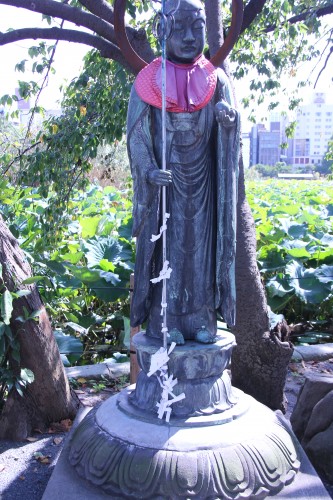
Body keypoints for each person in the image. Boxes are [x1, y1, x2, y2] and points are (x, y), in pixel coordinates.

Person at [127, 0, 240, 344]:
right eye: (179, 28)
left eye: (197, 28)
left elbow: (231, 133)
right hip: (167, 188)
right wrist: (148, 171)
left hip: (205, 185)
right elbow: (136, 136)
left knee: (203, 253)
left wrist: (227, 122)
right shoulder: (148, 82)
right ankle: (167, 319)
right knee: (170, 250)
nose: (190, 37)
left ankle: (203, 318)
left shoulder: (216, 79)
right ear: (162, 30)